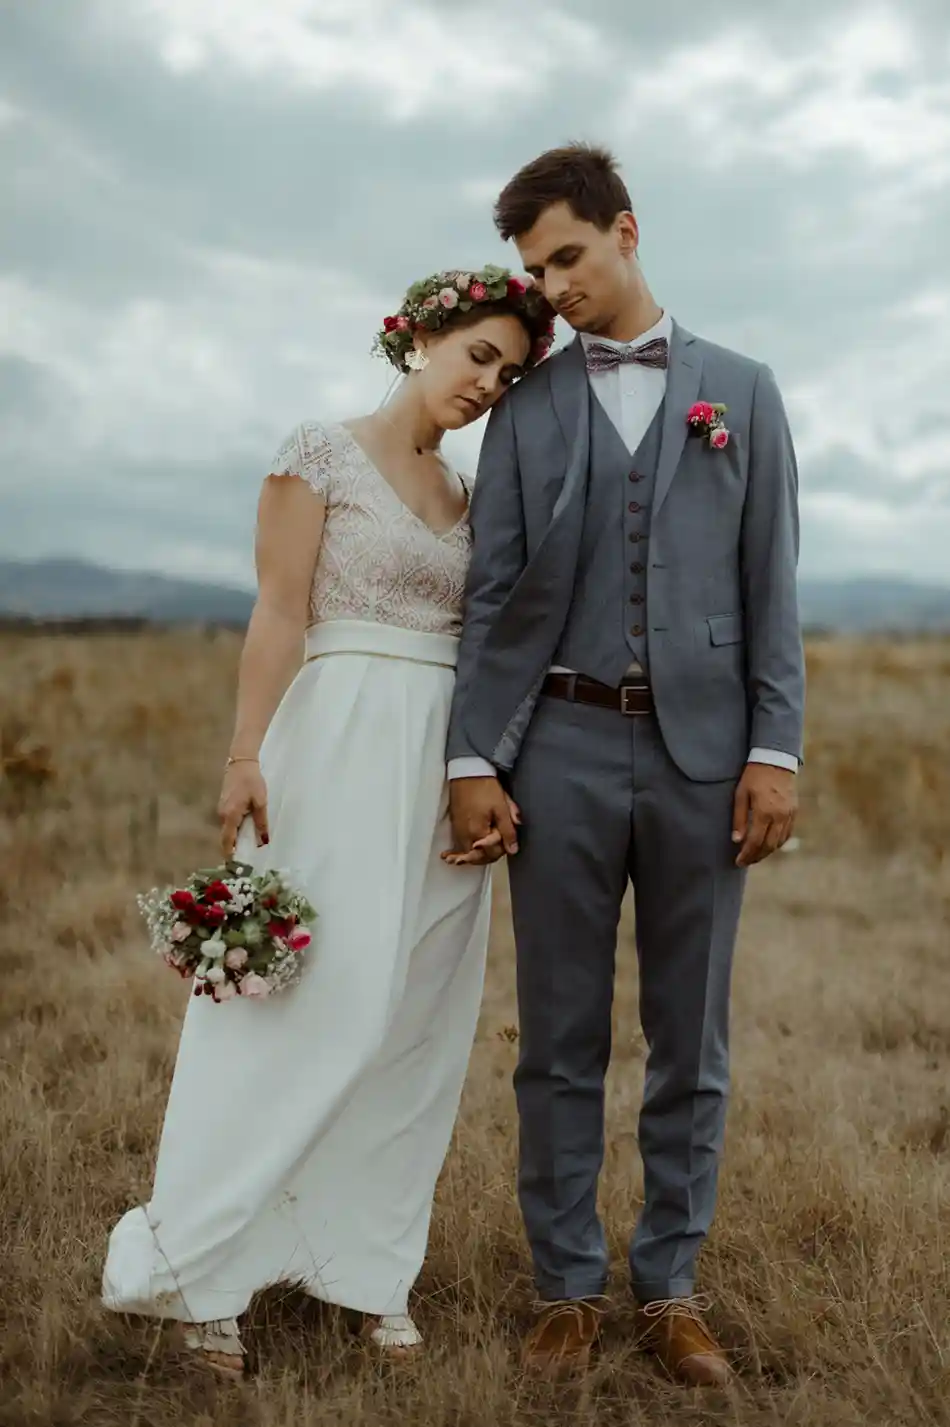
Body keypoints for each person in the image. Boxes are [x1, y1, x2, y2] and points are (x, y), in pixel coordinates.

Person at [101, 265, 556, 1378]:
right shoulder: (317, 451)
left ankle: (365, 1265)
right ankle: (202, 1275)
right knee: (295, 1005)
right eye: (477, 355)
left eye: (507, 371)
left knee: (412, 1018)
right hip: (334, 744)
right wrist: (246, 751)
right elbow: (279, 611)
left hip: (440, 766)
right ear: (420, 337)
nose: (488, 383)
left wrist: (488, 766)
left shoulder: (467, 492)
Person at [445, 144, 805, 1388]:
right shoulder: (525, 409)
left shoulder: (743, 392)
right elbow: (490, 591)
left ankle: (671, 1286)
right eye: (535, 268)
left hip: (708, 757)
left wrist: (772, 748)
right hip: (557, 747)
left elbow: (772, 587)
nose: (550, 286)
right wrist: (469, 758)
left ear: (626, 232)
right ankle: (562, 1285)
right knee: (555, 1038)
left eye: (567, 256)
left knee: (689, 1038)